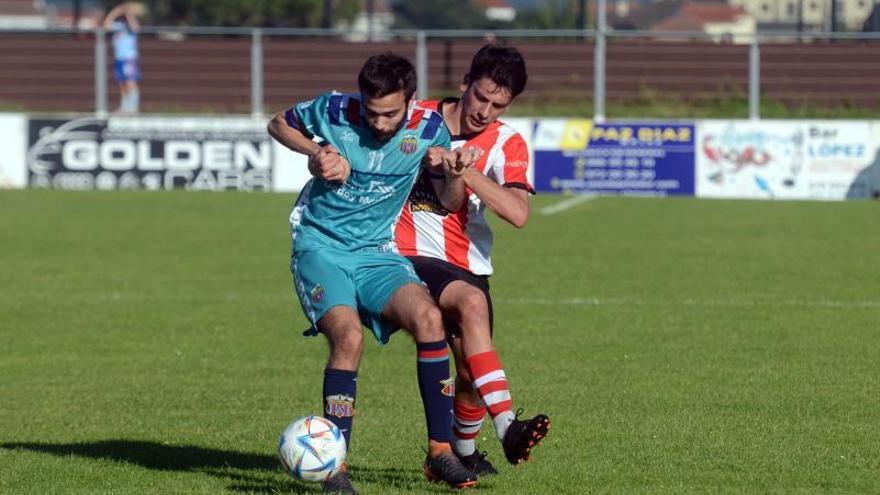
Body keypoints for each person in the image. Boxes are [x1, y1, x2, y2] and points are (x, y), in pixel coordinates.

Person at [267, 53, 483, 494]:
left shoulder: (429, 130)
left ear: (412, 101)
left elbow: (449, 200)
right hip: (320, 246)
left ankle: (440, 453)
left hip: (377, 252)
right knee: (349, 338)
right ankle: (335, 471)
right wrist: (317, 152)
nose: (381, 124)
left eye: (391, 114)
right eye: (372, 112)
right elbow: (277, 123)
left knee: (430, 320)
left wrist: (458, 174)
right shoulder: (332, 111)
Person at [394, 44, 550, 476]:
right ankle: (506, 428)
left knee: (471, 373)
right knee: (473, 309)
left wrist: (466, 169)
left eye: (498, 104)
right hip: (406, 255)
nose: (485, 110)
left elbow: (518, 213)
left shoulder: (507, 142)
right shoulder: (414, 117)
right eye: (480, 97)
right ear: (464, 84)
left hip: (466, 263)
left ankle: (462, 451)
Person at [103, 2, 141, 113]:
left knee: (130, 82)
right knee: (122, 83)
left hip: (129, 58)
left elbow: (135, 28)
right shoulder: (118, 26)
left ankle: (133, 107)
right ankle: (124, 107)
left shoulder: (130, 26)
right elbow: (105, 26)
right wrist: (114, 12)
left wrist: (129, 14)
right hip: (119, 58)